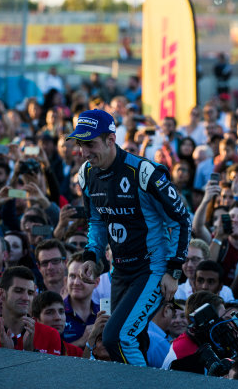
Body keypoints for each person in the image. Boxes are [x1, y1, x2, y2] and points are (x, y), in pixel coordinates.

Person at [70, 109, 191, 366]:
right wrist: (91, 256)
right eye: (81, 145)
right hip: (120, 271)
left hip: (151, 269)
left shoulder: (144, 173)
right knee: (135, 338)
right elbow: (96, 221)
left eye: (90, 144)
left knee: (118, 338)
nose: (84, 153)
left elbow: (181, 219)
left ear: (111, 140)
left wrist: (174, 270)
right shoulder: (87, 174)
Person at [0, 266, 62, 355]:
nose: (26, 298)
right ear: (1, 293)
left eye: (30, 293)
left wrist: (29, 352)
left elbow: (49, 369)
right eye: (19, 291)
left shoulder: (51, 335)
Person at [31, 290, 83, 357]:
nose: (58, 317)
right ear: (36, 319)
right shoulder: (24, 346)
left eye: (61, 311)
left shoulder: (76, 353)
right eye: (49, 312)